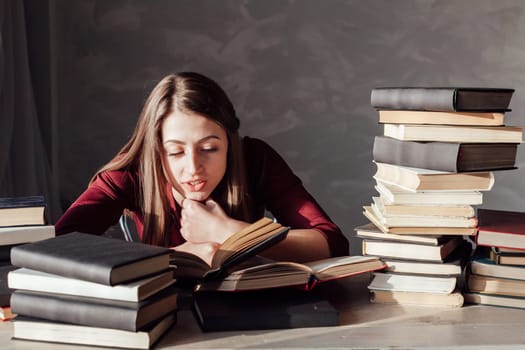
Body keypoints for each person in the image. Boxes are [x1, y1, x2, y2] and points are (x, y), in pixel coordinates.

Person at [55, 72, 349, 265]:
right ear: (156, 150)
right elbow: (56, 248)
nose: (193, 167)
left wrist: (226, 230)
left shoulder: (255, 159)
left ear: (230, 143)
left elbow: (332, 242)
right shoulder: (130, 173)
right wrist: (171, 258)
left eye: (209, 148)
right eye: (176, 152)